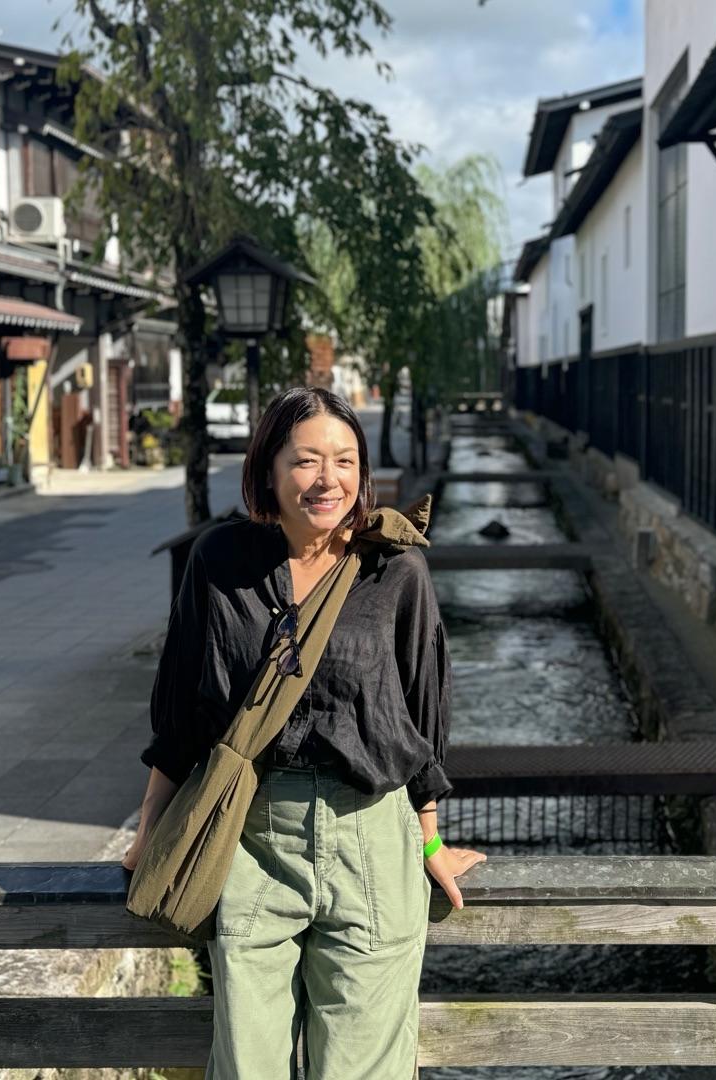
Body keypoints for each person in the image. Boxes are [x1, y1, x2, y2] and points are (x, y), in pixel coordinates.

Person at [122, 385, 486, 1079]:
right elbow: (182, 715)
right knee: (247, 1063)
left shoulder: (395, 568)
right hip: (253, 839)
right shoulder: (221, 562)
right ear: (268, 469)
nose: (328, 480)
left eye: (345, 461)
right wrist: (150, 833)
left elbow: (422, 720)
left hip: (371, 839)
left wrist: (429, 839)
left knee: (363, 1068)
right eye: (307, 460)